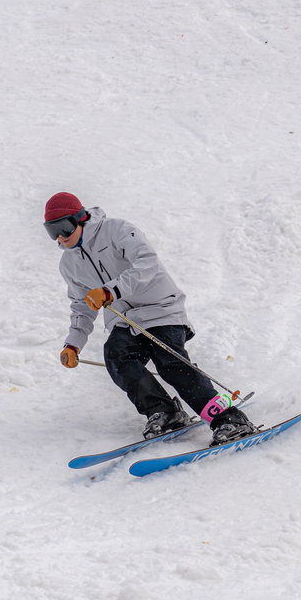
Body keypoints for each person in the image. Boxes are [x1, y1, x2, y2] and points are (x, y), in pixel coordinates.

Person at [44, 191, 256, 445]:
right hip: (125, 320)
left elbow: (147, 264)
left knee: (170, 363)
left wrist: (111, 290)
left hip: (160, 308)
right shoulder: (68, 264)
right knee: (117, 358)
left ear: (80, 218)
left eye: (64, 228)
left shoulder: (116, 230)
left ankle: (229, 419)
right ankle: (164, 412)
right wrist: (73, 343)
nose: (60, 237)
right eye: (51, 231)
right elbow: (81, 306)